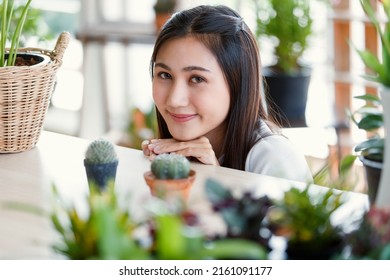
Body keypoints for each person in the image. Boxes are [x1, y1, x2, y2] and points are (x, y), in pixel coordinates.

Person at [142, 4, 313, 183]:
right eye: (165, 75)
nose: (175, 100)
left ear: (237, 82)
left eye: (197, 79)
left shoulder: (275, 159)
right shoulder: (174, 158)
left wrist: (218, 181)